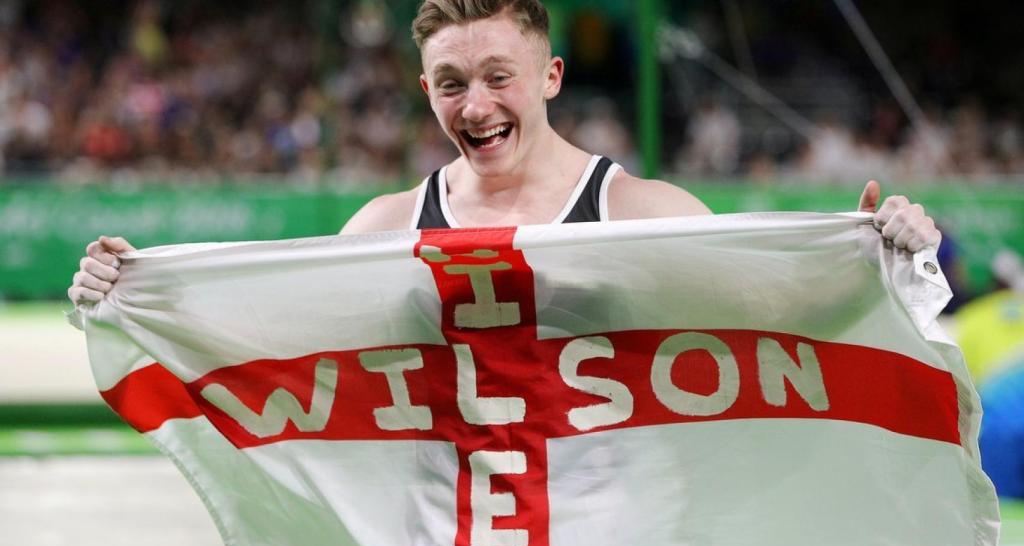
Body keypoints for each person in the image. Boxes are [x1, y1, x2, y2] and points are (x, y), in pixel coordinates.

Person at [67, 0, 942, 305]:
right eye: (451, 83)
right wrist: (138, 284)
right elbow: (277, 334)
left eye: (498, 76)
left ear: (552, 76)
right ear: (424, 92)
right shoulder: (383, 227)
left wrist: (873, 253)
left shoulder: (643, 213)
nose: (475, 106)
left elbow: (777, 312)